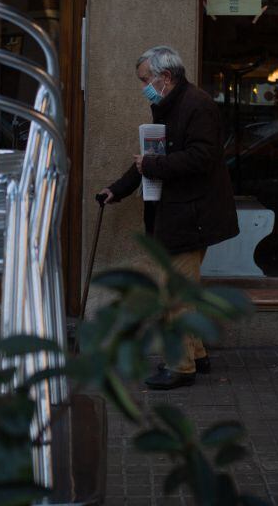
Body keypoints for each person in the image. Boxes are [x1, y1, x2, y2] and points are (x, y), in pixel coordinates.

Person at [99, 46, 239, 390]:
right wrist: (117, 189)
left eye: (146, 79)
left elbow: (201, 158)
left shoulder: (196, 105)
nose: (144, 86)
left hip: (191, 216)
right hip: (180, 214)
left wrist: (152, 166)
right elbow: (150, 158)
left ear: (166, 77)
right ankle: (198, 354)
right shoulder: (170, 105)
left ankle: (181, 366)